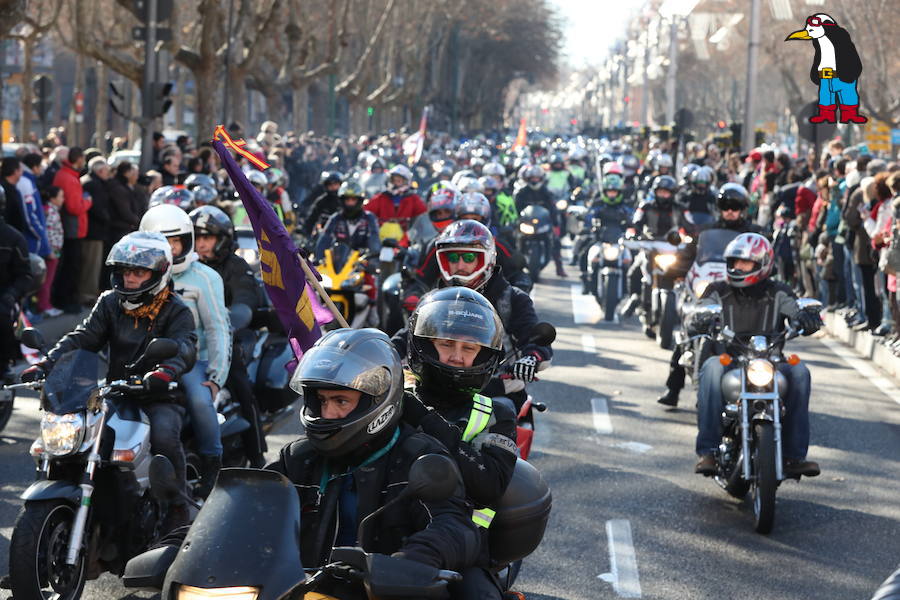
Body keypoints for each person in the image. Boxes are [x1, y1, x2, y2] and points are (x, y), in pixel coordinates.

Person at [265, 328, 482, 596]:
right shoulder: (299, 457)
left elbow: (454, 524)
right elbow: (254, 508)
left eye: (341, 400)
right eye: (321, 400)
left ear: (376, 401)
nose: (328, 413)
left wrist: (413, 560)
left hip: (384, 592)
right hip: (300, 590)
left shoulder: (419, 456)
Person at [21, 231, 197, 530]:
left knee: (165, 436)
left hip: (158, 393)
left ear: (158, 272)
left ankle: (177, 505)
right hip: (115, 392)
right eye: (126, 271)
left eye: (138, 272)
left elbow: (185, 346)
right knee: (73, 439)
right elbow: (83, 338)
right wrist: (47, 362)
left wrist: (166, 371)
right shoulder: (110, 302)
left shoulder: (176, 309)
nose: (129, 279)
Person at [401, 287, 515, 599]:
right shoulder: (396, 397)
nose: (456, 356)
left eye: (469, 348)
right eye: (446, 343)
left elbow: (489, 484)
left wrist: (426, 420)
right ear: (424, 345)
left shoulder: (497, 414)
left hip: (463, 543)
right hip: (386, 525)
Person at [693, 233, 821, 478]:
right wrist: (699, 318)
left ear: (762, 263)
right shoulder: (717, 289)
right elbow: (701, 309)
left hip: (771, 361)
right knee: (710, 367)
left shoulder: (778, 291)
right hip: (731, 360)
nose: (737, 267)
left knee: (800, 372)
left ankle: (794, 456)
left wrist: (806, 318)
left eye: (745, 262)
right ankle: (707, 451)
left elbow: (795, 310)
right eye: (734, 262)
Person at [140, 204, 232, 497]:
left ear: (185, 242)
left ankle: (211, 465)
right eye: (161, 241)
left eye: (175, 241)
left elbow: (218, 328)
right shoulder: (139, 275)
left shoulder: (204, 278)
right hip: (147, 361)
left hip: (195, 361)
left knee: (200, 400)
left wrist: (216, 376)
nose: (169, 248)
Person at [657, 183, 763, 407]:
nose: (730, 211)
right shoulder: (705, 231)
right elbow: (690, 254)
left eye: (735, 207)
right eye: (726, 206)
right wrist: (675, 269)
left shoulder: (753, 234)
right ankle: (673, 388)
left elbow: (765, 259)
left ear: (743, 209)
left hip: (742, 295)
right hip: (710, 291)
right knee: (687, 332)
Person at [190, 204, 268, 467]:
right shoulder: (183, 267)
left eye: (207, 237)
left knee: (241, 385)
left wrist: (227, 325)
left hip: (228, 336)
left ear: (222, 239)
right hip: (186, 341)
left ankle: (257, 454)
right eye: (197, 237)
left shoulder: (235, 266)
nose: (200, 244)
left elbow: (245, 300)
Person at [576, 172, 632, 295]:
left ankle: (632, 289)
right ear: (604, 191)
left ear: (619, 192)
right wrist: (588, 222)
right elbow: (590, 215)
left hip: (619, 241)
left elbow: (633, 217)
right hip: (600, 239)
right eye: (609, 192)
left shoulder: (625, 205)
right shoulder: (598, 203)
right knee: (584, 251)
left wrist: (632, 226)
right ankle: (586, 281)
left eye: (614, 192)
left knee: (634, 256)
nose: (612, 194)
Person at [51, 146, 91, 314]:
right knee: (72, 266)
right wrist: (88, 201)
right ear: (79, 159)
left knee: (68, 265)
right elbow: (75, 207)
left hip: (69, 227)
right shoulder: (69, 178)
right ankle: (67, 301)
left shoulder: (64, 174)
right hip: (73, 228)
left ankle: (63, 299)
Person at [0, 186, 33, 382]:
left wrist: (11, 294)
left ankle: (3, 366)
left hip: (3, 297)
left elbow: (25, 275)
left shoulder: (13, 238)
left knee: (2, 318)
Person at [515, 164, 566, 277]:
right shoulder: (522, 192)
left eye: (537, 178)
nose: (534, 180)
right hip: (526, 223)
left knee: (556, 241)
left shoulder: (546, 192)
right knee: (514, 239)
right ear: (527, 179)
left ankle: (559, 267)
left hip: (543, 224)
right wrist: (517, 221)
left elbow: (553, 208)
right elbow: (516, 209)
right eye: (532, 178)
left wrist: (555, 223)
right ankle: (514, 267)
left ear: (541, 179)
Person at [314, 180, 381, 258]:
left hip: (360, 263)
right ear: (342, 201)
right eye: (347, 200)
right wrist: (318, 257)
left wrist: (373, 255)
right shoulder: (335, 218)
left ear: (359, 200)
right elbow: (325, 238)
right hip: (337, 261)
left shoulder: (369, 218)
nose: (350, 203)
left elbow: (374, 238)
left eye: (353, 200)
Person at [365, 164, 426, 246]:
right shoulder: (382, 197)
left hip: (406, 240)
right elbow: (366, 211)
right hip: (381, 239)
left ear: (406, 182)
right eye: (394, 180)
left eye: (399, 181)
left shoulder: (413, 198)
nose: (396, 184)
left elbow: (423, 216)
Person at [80, 156, 112, 305]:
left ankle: (90, 292)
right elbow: (97, 208)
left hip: (92, 230)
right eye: (107, 171)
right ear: (99, 170)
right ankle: (87, 294)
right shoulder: (93, 184)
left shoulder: (89, 181)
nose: (109, 174)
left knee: (92, 264)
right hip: (94, 231)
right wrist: (108, 219)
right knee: (91, 265)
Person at [302, 170, 343, 238]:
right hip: (323, 234)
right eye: (330, 185)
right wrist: (306, 231)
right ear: (326, 186)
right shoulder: (322, 201)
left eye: (335, 184)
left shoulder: (344, 201)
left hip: (341, 235)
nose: (333, 187)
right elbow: (312, 218)